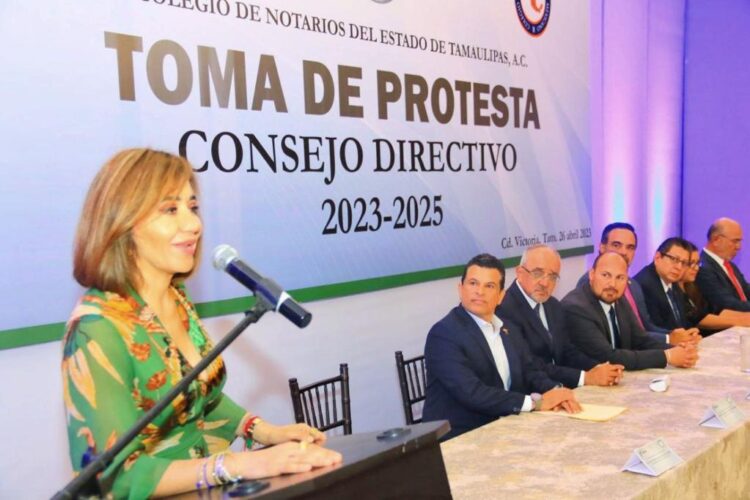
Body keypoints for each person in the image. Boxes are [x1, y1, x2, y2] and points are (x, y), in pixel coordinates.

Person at [62, 149, 341, 499]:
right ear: (121, 222)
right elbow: (115, 478)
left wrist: (265, 432)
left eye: (192, 208)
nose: (193, 224)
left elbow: (195, 396)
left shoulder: (175, 298)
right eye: (170, 210)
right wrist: (239, 465)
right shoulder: (96, 330)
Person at [423, 253, 580, 440]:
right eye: (473, 283)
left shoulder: (507, 328)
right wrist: (535, 403)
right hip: (461, 438)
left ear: (500, 296)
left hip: (505, 428)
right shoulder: (444, 334)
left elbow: (530, 371)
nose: (479, 291)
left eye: (489, 286)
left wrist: (556, 391)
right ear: (460, 289)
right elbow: (473, 393)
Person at [497, 245, 623, 388]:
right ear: (519, 273)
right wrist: (585, 377)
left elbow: (567, 352)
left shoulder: (553, 305)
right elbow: (531, 365)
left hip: (561, 387)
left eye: (552, 276)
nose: (545, 283)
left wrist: (599, 368)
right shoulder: (504, 309)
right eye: (537, 273)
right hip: (533, 393)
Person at [562, 252, 698, 371]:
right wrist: (666, 356)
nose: (612, 284)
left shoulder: (618, 299)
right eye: (606, 275)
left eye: (620, 278)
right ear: (592, 275)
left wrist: (676, 349)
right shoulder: (577, 308)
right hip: (584, 387)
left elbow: (640, 340)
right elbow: (608, 357)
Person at [580, 222, 696, 345]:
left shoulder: (633, 285)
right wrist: (668, 340)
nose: (623, 252)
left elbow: (645, 328)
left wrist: (678, 336)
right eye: (616, 245)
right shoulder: (591, 282)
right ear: (602, 247)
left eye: (630, 247)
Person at [633, 237, 701, 337]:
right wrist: (681, 337)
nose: (679, 267)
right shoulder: (645, 285)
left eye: (684, 263)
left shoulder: (672, 281)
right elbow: (653, 330)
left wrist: (690, 333)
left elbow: (681, 322)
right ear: (657, 258)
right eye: (674, 259)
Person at [680, 240, 750, 331]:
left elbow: (715, 310)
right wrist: (741, 321)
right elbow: (698, 318)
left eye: (697, 263)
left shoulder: (692, 287)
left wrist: (744, 318)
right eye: (690, 263)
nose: (696, 268)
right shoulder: (705, 271)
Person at [695, 217, 750, 313]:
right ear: (716, 240)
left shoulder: (730, 265)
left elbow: (746, 290)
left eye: (739, 241)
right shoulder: (703, 268)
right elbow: (726, 303)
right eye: (735, 241)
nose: (738, 247)